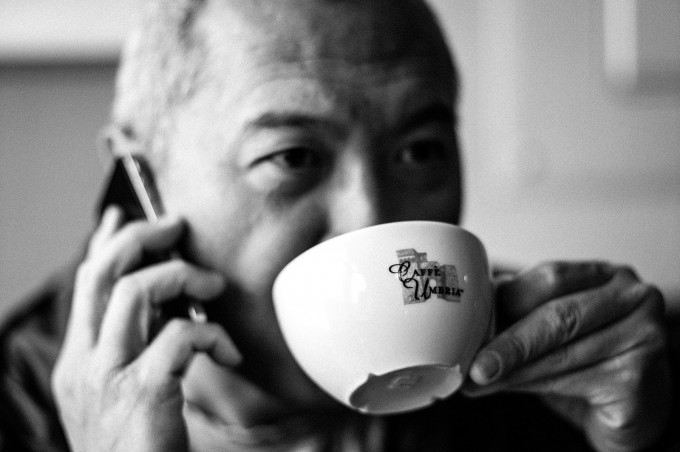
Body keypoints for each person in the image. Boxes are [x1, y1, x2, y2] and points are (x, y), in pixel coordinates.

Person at [1, 0, 678, 450]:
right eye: (292, 157)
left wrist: (648, 440)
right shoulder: (19, 414)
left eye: (419, 151)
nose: (373, 221)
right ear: (142, 182)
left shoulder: (564, 383)